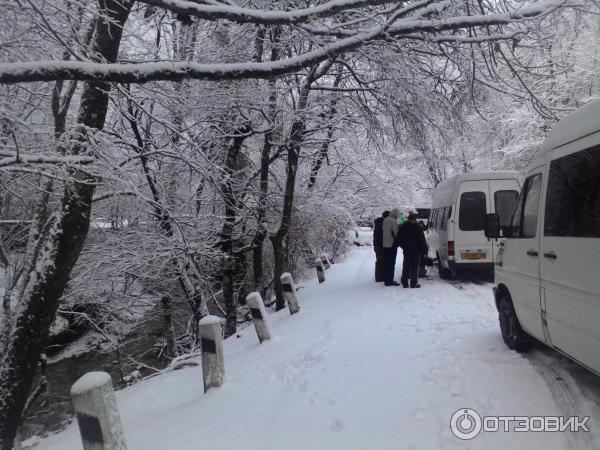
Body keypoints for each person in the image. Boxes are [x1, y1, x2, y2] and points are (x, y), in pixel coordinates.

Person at [399, 212, 428, 288]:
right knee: (414, 267)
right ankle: (413, 283)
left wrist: (403, 246)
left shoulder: (403, 226)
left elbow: (399, 239)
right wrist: (424, 251)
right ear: (415, 219)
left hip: (406, 249)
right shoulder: (417, 227)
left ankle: (404, 282)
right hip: (416, 250)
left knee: (406, 265)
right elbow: (422, 240)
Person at [382, 208, 401, 286]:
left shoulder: (385, 220)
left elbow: (383, 230)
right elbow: (396, 233)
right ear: (395, 214)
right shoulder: (394, 221)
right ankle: (390, 281)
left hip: (385, 244)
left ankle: (386, 279)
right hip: (392, 245)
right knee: (391, 263)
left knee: (386, 262)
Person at [373, 211, 389, 282]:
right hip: (381, 245)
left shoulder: (378, 222)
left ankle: (379, 277)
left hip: (377, 245)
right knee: (382, 260)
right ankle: (381, 277)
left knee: (379, 261)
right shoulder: (383, 223)